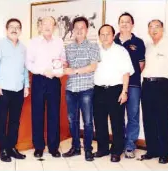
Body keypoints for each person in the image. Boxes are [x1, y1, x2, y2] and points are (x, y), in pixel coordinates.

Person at [140, 19, 168, 164]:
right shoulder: (147, 46)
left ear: (162, 28)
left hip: (163, 85)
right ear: (148, 30)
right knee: (148, 118)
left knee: (162, 119)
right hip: (146, 85)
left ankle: (165, 152)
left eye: (157, 26)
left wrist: (167, 82)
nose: (154, 29)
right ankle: (152, 150)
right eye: (151, 27)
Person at [93, 24, 134, 163]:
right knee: (99, 121)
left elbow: (126, 73)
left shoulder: (121, 51)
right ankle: (103, 148)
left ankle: (117, 150)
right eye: (102, 34)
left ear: (113, 35)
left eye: (108, 34)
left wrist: (124, 91)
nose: (105, 37)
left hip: (116, 89)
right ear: (99, 37)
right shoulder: (95, 51)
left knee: (117, 122)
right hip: (98, 89)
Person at [26, 16, 65, 158]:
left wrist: (57, 71)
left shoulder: (59, 42)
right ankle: (38, 146)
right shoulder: (33, 42)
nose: (48, 26)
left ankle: (54, 147)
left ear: (54, 27)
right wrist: (43, 71)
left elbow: (63, 61)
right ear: (40, 26)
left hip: (54, 81)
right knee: (37, 113)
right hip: (38, 79)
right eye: (45, 23)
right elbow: (29, 63)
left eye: (51, 24)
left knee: (54, 113)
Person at [62, 16, 100, 161]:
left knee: (88, 121)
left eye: (82, 28)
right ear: (72, 30)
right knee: (72, 120)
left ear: (86, 30)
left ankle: (88, 149)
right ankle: (76, 147)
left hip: (86, 89)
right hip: (71, 89)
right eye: (76, 28)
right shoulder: (68, 47)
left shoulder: (93, 46)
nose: (79, 30)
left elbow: (93, 66)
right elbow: (65, 64)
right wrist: (63, 67)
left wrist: (75, 71)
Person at [0, 18, 29, 162]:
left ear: (20, 30)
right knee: (2, 120)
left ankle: (12, 147)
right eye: (11, 27)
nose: (14, 29)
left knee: (15, 120)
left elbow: (24, 68)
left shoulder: (23, 48)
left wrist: (26, 85)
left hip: (18, 89)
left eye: (17, 27)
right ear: (6, 29)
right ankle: (3, 149)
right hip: (3, 89)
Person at [114, 12, 146, 158]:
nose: (124, 24)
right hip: (115, 85)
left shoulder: (138, 42)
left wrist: (129, 77)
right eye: (122, 21)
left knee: (133, 116)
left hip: (133, 85)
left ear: (132, 24)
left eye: (127, 21)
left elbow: (141, 65)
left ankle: (130, 145)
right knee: (117, 116)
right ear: (118, 24)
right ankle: (118, 144)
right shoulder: (112, 41)